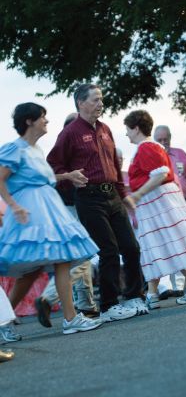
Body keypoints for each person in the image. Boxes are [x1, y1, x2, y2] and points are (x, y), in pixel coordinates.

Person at [47, 84, 148, 321]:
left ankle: (134, 297)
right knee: (109, 250)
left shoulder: (105, 129)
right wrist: (69, 177)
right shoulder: (69, 133)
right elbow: (52, 166)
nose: (101, 103)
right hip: (89, 198)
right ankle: (109, 306)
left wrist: (124, 196)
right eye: (95, 99)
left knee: (131, 247)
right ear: (81, 103)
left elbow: (114, 164)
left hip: (112, 194)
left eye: (101, 99)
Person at [0, 102, 102, 335]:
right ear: (29, 121)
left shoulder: (37, 150)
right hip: (30, 212)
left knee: (57, 261)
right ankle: (67, 319)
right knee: (34, 270)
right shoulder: (14, 149)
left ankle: (68, 318)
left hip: (50, 209)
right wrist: (14, 207)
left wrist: (68, 175)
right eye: (43, 117)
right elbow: (0, 179)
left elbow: (43, 178)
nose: (47, 121)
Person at [124, 109, 186, 307]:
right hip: (157, 201)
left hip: (158, 202)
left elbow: (160, 173)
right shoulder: (150, 147)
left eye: (127, 129)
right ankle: (153, 294)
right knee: (160, 245)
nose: (126, 134)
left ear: (136, 128)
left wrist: (137, 194)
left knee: (167, 243)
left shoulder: (146, 147)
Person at [35, 112, 99, 328]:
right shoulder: (72, 146)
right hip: (74, 206)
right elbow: (50, 175)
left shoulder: (60, 147)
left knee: (82, 257)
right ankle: (49, 297)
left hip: (65, 207)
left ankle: (87, 304)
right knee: (84, 256)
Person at [154, 124, 186, 296]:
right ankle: (167, 286)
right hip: (163, 206)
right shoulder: (151, 156)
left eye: (165, 139)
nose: (163, 142)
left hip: (183, 201)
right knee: (169, 244)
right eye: (159, 140)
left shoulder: (180, 154)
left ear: (170, 137)